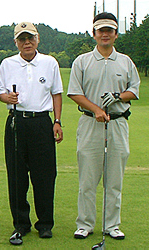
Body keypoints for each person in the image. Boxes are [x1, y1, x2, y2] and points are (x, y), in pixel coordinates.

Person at [67, 12, 140, 240]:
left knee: (114, 179)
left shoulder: (125, 61)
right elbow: (75, 92)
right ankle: (85, 223)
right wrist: (97, 109)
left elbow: (134, 91)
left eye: (109, 30)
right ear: (94, 34)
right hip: (90, 123)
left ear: (116, 34)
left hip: (117, 123)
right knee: (87, 179)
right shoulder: (82, 61)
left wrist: (118, 96)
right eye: (101, 30)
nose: (105, 34)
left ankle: (112, 225)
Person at [0, 22, 63, 243]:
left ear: (38, 39)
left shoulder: (49, 62)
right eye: (22, 39)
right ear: (16, 42)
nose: (27, 42)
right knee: (16, 176)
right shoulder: (7, 64)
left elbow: (56, 94)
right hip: (16, 121)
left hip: (42, 122)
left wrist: (57, 121)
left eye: (30, 38)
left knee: (44, 175)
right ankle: (21, 224)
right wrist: (7, 98)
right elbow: (1, 94)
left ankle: (45, 224)